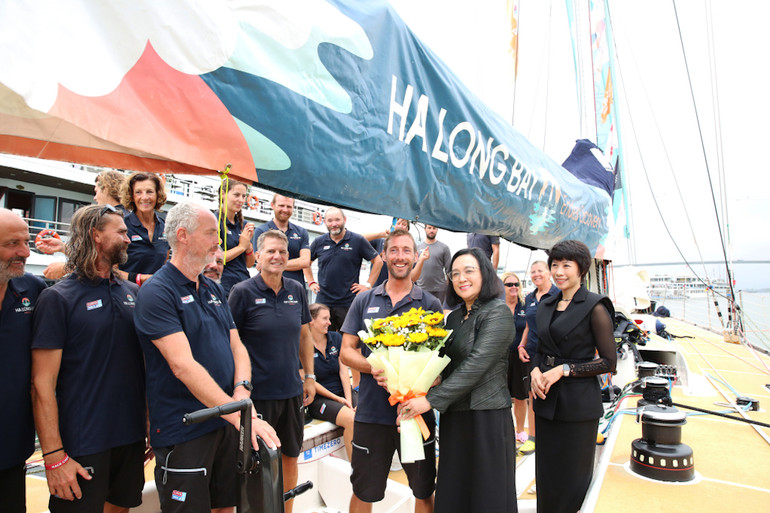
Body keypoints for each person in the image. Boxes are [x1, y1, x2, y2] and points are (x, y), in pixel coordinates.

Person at [133, 201, 279, 513]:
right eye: (211, 233)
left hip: (225, 423)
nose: (218, 241)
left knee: (227, 506)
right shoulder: (158, 292)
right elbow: (181, 365)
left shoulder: (213, 289)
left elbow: (237, 347)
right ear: (183, 235)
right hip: (185, 429)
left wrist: (242, 392)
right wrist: (238, 413)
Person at [31, 204, 146, 513]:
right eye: (121, 232)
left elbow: (140, 366)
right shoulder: (58, 298)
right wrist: (54, 455)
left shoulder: (130, 294)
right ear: (96, 235)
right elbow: (42, 383)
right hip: (82, 442)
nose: (128, 238)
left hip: (130, 436)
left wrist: (148, 422)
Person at [400, 248, 517, 513]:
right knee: (455, 492)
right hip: (455, 417)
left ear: (484, 274)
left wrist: (429, 401)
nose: (461, 278)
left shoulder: (498, 313)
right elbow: (448, 365)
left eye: (468, 271)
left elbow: (477, 365)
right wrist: (418, 383)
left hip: (486, 417)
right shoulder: (453, 317)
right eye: (455, 273)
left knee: (487, 495)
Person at [340, 228, 440, 513]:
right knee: (364, 491)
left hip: (415, 414)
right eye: (393, 250)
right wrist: (374, 366)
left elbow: (440, 364)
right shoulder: (364, 300)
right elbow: (347, 351)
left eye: (406, 250)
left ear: (415, 256)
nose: (400, 256)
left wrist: (421, 381)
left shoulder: (429, 304)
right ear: (383, 256)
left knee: (423, 490)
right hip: (372, 414)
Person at [228, 229, 314, 513]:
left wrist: (310, 377)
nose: (277, 256)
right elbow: (231, 344)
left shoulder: (297, 290)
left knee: (289, 457)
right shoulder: (242, 292)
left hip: (291, 392)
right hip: (256, 398)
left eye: (282, 252)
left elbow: (305, 336)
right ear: (258, 256)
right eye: (270, 251)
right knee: (255, 464)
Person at [530, 240, 616, 513]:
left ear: (581, 269)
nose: (559, 271)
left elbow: (608, 362)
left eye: (567, 265)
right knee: (547, 475)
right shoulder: (546, 304)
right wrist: (533, 370)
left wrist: (564, 370)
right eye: (555, 265)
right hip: (546, 401)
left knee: (573, 480)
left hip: (578, 406)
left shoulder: (595, 306)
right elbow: (537, 348)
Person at [0, 209, 46, 512]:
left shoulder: (33, 290)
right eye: (12, 244)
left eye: (26, 242)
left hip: (12, 447)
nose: (25, 252)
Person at [38, 170, 126, 280]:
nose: (95, 198)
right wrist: (63, 247)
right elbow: (95, 254)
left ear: (106, 189)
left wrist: (65, 268)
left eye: (96, 192)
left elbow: (108, 266)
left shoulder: (117, 221)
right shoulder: (125, 218)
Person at [308, 207, 382, 332]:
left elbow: (378, 261)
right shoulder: (319, 242)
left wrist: (368, 285)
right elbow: (306, 262)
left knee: (348, 341)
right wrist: (311, 282)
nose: (334, 224)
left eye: (337, 220)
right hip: (323, 302)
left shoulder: (357, 240)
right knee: (322, 340)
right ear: (325, 222)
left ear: (344, 220)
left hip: (348, 303)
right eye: (330, 220)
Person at [516, 260, 559, 456]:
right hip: (533, 353)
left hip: (555, 353)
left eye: (540, 271)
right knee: (534, 395)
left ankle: (556, 435)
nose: (536, 274)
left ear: (549, 273)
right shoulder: (530, 297)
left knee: (556, 393)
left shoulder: (559, 295)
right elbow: (527, 326)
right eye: (533, 272)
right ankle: (532, 437)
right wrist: (521, 345)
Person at [306, 302, 356, 461]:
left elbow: (343, 371)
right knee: (352, 419)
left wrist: (348, 400)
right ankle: (356, 470)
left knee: (368, 412)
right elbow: (310, 381)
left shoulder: (335, 338)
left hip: (342, 392)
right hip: (320, 399)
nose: (329, 322)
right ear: (311, 321)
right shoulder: (302, 345)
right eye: (325, 319)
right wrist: (337, 399)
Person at [119, 171, 170, 285]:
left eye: (150, 192)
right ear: (131, 196)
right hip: (126, 294)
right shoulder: (122, 226)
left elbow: (164, 266)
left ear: (158, 195)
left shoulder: (165, 228)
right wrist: (139, 279)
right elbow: (111, 270)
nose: (144, 197)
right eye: (138, 192)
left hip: (155, 294)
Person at [253, 193, 312, 287]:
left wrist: (273, 264)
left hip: (295, 289)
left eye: (289, 206)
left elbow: (305, 261)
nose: (285, 210)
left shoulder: (301, 232)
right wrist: (296, 263)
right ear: (272, 205)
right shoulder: (261, 231)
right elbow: (260, 262)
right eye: (281, 205)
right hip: (267, 288)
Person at [502, 271, 529, 445]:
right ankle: (504, 431)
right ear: (502, 287)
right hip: (501, 357)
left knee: (520, 396)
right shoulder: (497, 306)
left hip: (520, 356)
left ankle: (520, 431)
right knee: (502, 395)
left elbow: (531, 328)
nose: (513, 287)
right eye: (509, 284)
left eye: (516, 284)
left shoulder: (525, 306)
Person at [217, 177, 256, 295]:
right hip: (224, 287)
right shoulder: (214, 222)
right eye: (236, 195)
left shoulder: (243, 225)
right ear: (223, 194)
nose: (241, 200)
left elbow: (249, 264)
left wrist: (248, 248)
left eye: (243, 196)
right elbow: (216, 259)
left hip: (244, 285)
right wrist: (241, 247)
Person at [411, 225, 452, 305]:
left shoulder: (444, 248)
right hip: (421, 289)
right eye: (429, 228)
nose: (432, 230)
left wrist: (450, 289)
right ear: (425, 229)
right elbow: (412, 269)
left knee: (438, 316)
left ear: (437, 229)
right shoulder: (417, 248)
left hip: (439, 290)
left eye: (434, 228)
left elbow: (449, 271)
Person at [364, 218, 410, 287]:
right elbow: (359, 239)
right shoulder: (381, 241)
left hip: (396, 288)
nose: (400, 226)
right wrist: (381, 234)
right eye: (398, 223)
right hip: (376, 288)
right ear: (393, 226)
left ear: (407, 229)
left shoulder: (409, 248)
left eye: (404, 224)